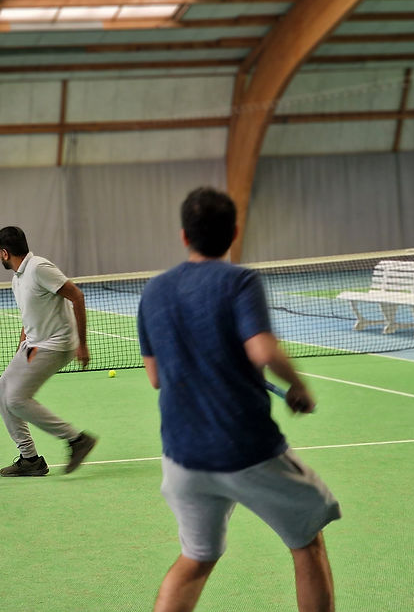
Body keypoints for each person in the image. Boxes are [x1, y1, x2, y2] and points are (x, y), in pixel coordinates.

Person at [137, 187, 340, 612]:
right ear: (233, 232)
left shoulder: (154, 291)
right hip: (245, 451)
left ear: (183, 236)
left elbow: (156, 377)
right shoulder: (239, 281)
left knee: (197, 557)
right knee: (307, 542)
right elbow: (262, 351)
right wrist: (299, 387)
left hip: (181, 458)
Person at [0, 225, 96, 477]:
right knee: (0, 392)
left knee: (16, 399)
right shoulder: (17, 278)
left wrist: (82, 344)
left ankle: (76, 439)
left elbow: (77, 297)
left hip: (57, 344)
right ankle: (30, 460)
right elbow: (29, 320)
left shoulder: (39, 268)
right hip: (33, 345)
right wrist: (19, 354)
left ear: (5, 253)